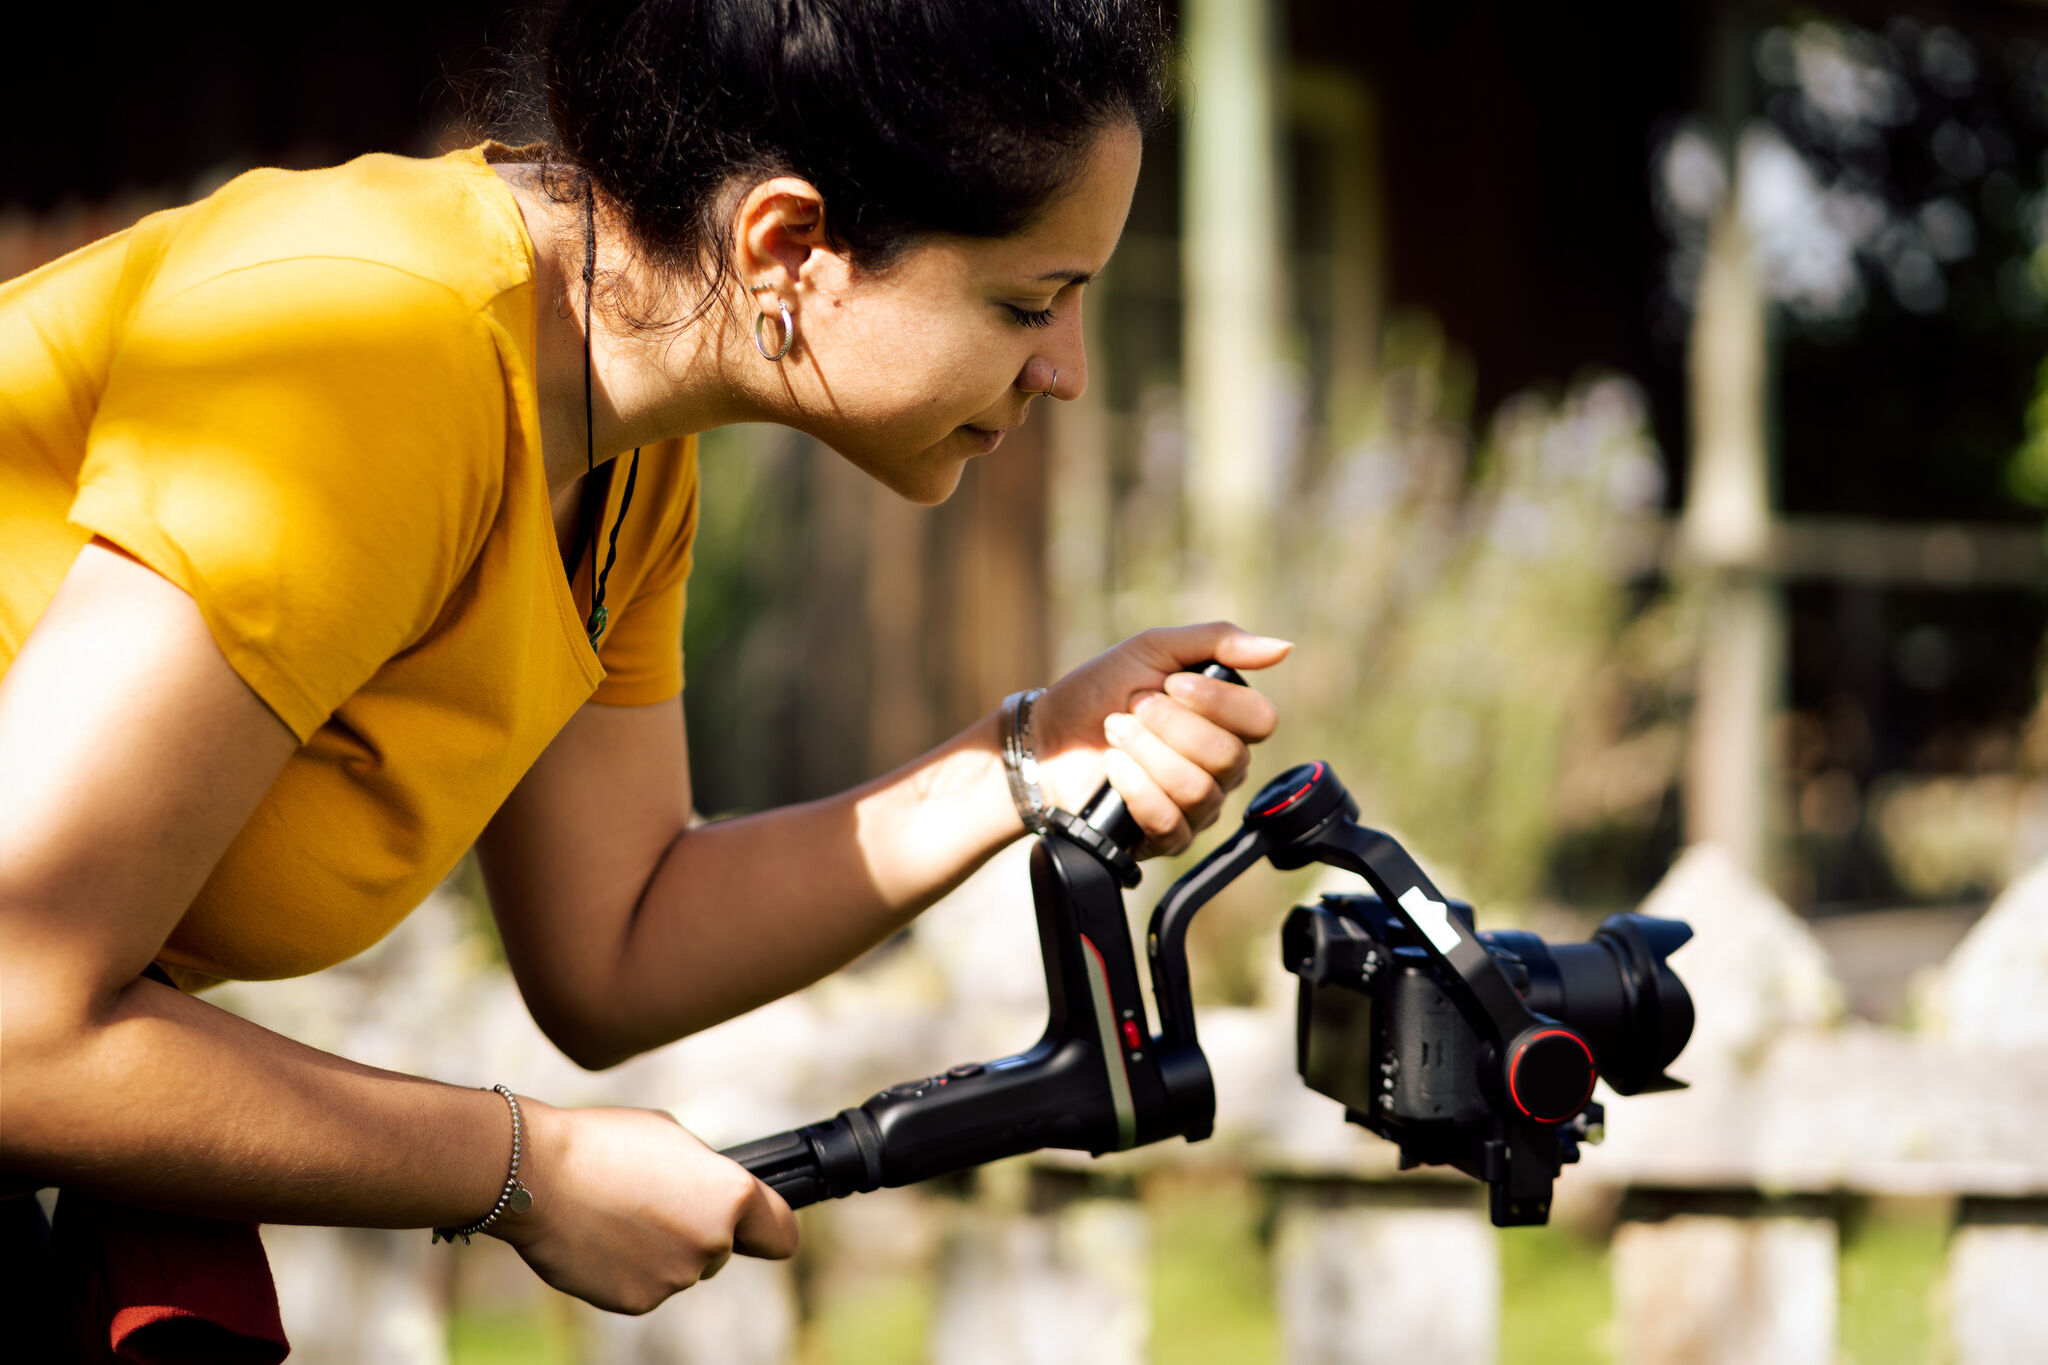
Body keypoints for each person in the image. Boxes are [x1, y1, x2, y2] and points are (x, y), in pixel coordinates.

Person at [0, 0, 1288, 1324]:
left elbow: (615, 943)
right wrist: (522, 1166)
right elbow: (11, 1021)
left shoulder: (617, 452)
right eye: (1031, 301)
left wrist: (1025, 759)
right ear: (787, 243)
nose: (1066, 372)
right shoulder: (373, 352)